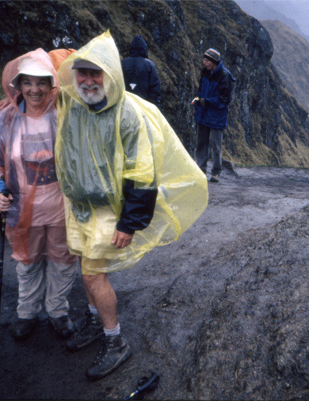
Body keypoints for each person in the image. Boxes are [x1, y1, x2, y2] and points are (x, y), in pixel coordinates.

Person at [54, 31, 208, 381]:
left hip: (109, 210)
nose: (90, 80)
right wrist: (12, 101)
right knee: (86, 268)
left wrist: (129, 222)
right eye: (83, 73)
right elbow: (40, 75)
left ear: (110, 74)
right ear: (75, 75)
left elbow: (142, 171)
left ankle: (115, 340)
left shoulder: (125, 115)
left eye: (97, 73)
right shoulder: (72, 104)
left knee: (94, 274)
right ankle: (94, 321)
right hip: (78, 207)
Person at [0, 49, 79, 341]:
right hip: (22, 210)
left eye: (41, 82)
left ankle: (58, 312)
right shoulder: (5, 120)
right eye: (27, 83)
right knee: (28, 263)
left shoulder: (64, 114)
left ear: (51, 84)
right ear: (18, 85)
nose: (35, 89)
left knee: (62, 261)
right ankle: (26, 313)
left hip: (61, 209)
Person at [192, 48, 235, 183]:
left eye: (206, 60)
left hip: (217, 116)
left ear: (213, 62)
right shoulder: (205, 72)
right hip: (203, 113)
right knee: (201, 143)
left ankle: (216, 173)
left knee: (216, 146)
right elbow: (201, 91)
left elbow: (225, 100)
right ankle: (201, 170)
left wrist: (206, 102)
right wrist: (198, 102)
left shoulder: (224, 75)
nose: (203, 63)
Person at [121, 35, 161, 107]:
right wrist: (154, 107)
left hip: (125, 106)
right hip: (143, 107)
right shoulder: (150, 65)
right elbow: (155, 89)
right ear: (144, 48)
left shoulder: (122, 63)